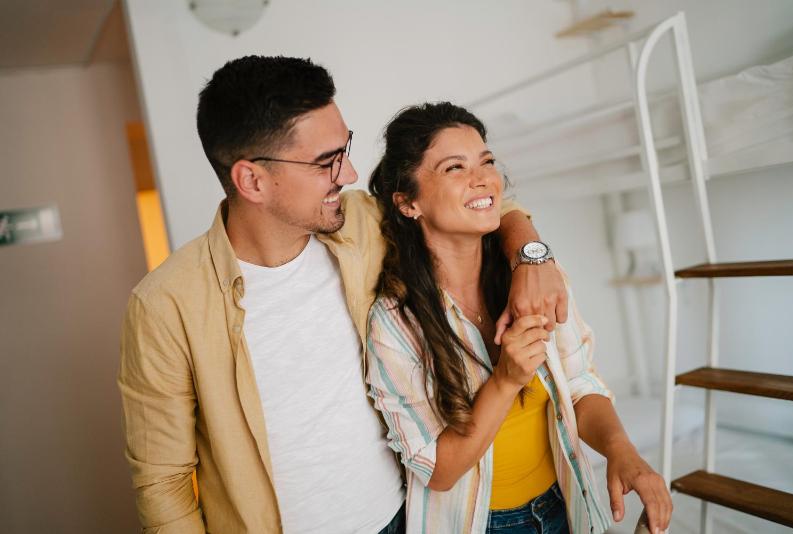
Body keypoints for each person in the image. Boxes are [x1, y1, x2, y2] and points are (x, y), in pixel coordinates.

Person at [118, 56, 567, 534]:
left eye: (345, 148)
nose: (349, 173)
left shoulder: (361, 225)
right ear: (251, 180)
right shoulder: (165, 305)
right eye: (325, 161)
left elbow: (479, 204)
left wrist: (532, 258)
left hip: (402, 519)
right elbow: (162, 483)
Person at [365, 102, 673, 534]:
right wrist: (507, 379)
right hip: (482, 524)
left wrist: (625, 453)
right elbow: (438, 470)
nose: (483, 178)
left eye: (486, 160)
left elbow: (581, 383)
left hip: (565, 503)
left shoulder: (534, 275)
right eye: (455, 167)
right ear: (408, 202)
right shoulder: (396, 323)